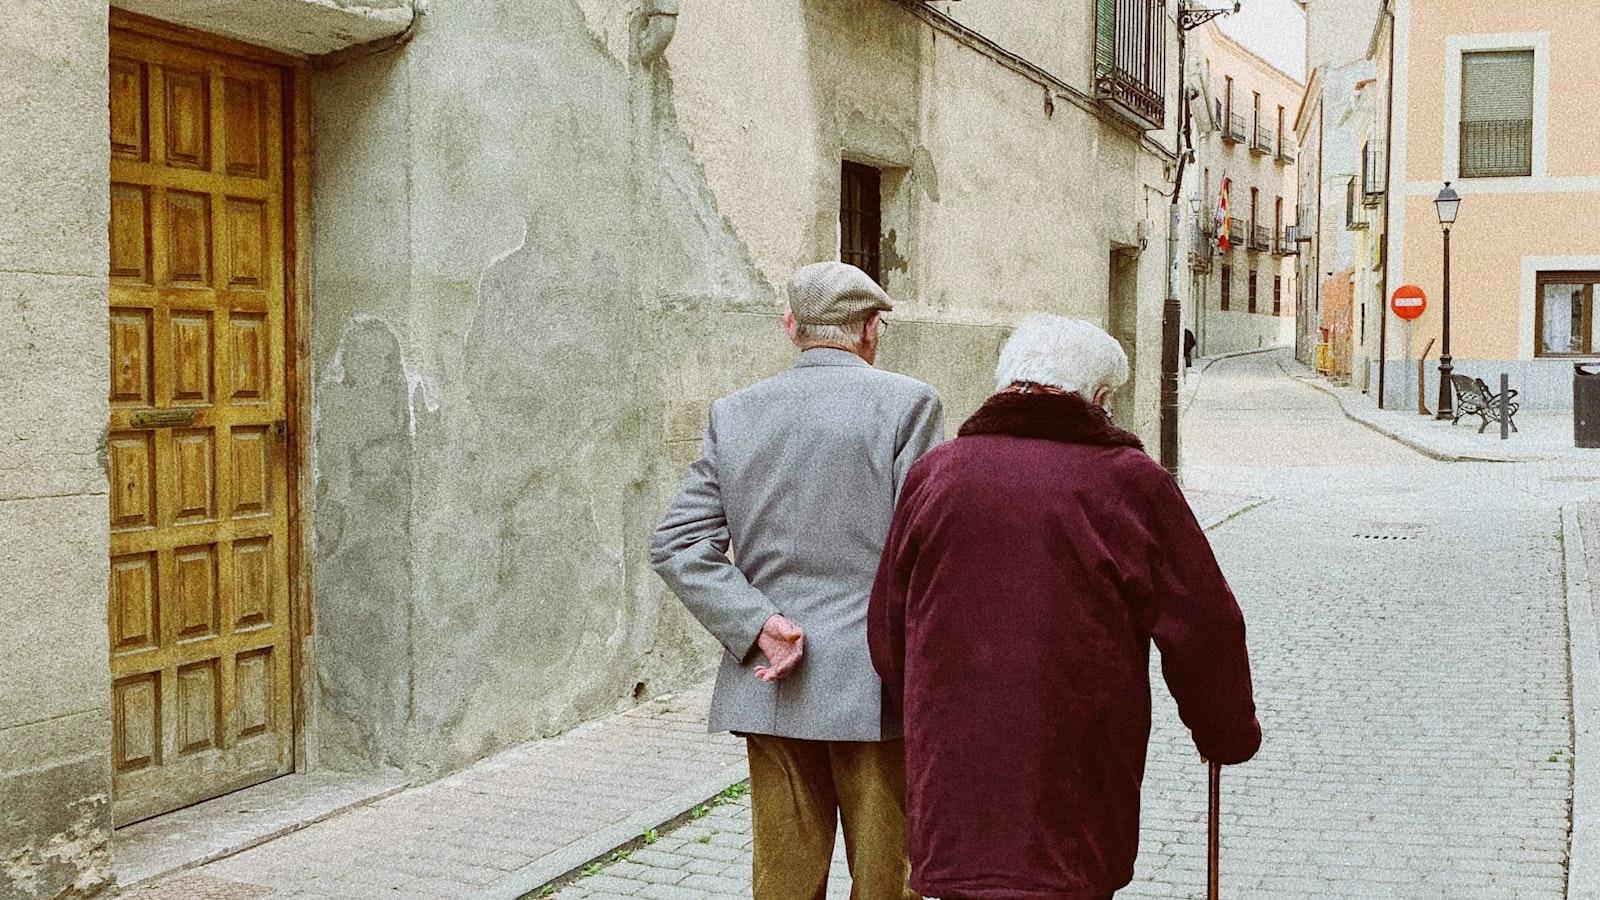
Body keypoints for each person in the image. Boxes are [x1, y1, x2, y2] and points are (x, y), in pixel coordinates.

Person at [867, 314, 1260, 900]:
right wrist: (1225, 731)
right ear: (1099, 400)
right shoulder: (1130, 482)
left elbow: (887, 629)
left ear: (1005, 384)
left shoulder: (936, 475)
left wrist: (932, 708)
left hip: (956, 774)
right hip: (1077, 777)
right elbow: (1205, 626)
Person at [652, 261, 944, 900]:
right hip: (879, 684)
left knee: (783, 882)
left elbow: (676, 543)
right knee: (888, 883)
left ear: (790, 327)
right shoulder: (910, 404)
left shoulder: (735, 413)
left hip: (772, 679)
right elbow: (925, 549)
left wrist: (756, 623)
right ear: (872, 328)